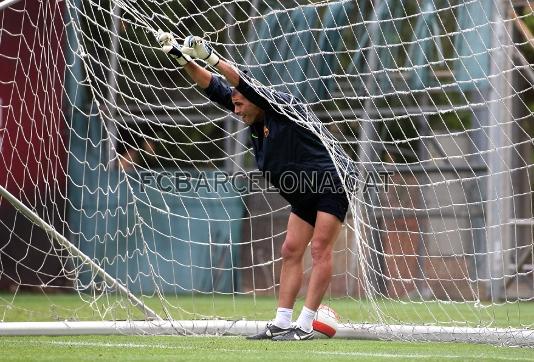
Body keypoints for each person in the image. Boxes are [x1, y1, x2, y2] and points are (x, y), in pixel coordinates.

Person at [157, 31, 349, 341]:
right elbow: (211, 85)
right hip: (302, 192)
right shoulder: (248, 109)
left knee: (319, 250)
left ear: (255, 99)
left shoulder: (275, 104)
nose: (236, 110)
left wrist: (212, 56)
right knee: (289, 250)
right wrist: (180, 57)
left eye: (241, 104)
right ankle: (282, 322)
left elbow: (242, 83)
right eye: (233, 105)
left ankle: (305, 325)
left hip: (331, 182)